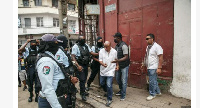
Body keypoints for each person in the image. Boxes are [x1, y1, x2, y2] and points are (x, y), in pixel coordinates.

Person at [36, 34, 78, 108]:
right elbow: (47, 88)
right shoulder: (46, 62)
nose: (57, 46)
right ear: (49, 45)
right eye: (56, 43)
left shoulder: (50, 57)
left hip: (56, 98)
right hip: (49, 102)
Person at [71, 35, 97, 101]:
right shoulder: (75, 47)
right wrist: (77, 65)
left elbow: (91, 52)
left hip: (85, 65)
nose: (84, 40)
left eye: (84, 39)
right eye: (82, 39)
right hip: (79, 65)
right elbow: (73, 57)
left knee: (85, 79)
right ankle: (82, 94)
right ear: (79, 40)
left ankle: (83, 91)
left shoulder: (86, 45)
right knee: (82, 79)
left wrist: (99, 53)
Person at [141, 33, 163, 101]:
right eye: (146, 39)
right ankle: (158, 92)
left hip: (154, 67)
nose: (146, 40)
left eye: (147, 39)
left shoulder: (157, 47)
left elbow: (161, 57)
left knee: (151, 81)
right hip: (149, 66)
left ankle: (152, 94)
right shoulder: (148, 47)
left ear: (152, 39)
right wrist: (144, 64)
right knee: (154, 81)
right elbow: (147, 56)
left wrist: (159, 68)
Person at [99, 41, 119, 107]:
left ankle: (109, 99)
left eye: (106, 47)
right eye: (104, 46)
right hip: (103, 70)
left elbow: (116, 60)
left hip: (111, 70)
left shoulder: (114, 52)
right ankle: (108, 91)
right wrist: (102, 64)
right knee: (102, 83)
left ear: (110, 46)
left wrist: (117, 65)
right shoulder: (101, 51)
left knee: (109, 84)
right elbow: (100, 60)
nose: (105, 48)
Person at [112, 32, 130, 101]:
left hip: (125, 65)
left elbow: (126, 57)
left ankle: (123, 95)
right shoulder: (116, 46)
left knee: (124, 80)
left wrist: (118, 60)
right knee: (117, 78)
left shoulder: (124, 46)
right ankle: (121, 89)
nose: (114, 39)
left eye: (115, 38)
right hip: (119, 65)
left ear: (118, 38)